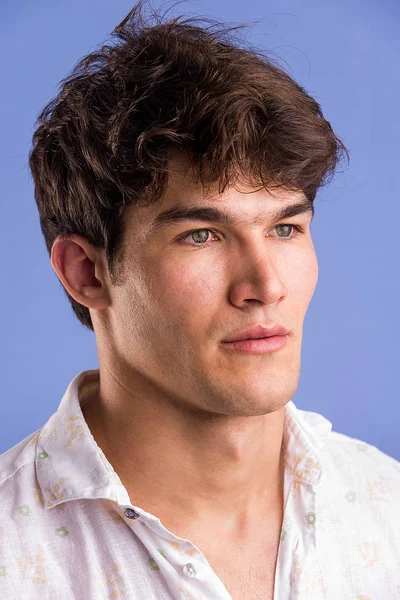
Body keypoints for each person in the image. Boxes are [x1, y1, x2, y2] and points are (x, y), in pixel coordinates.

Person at [1, 1, 399, 598]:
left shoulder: (386, 504)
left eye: (285, 228)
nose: (266, 287)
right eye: (202, 235)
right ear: (86, 272)